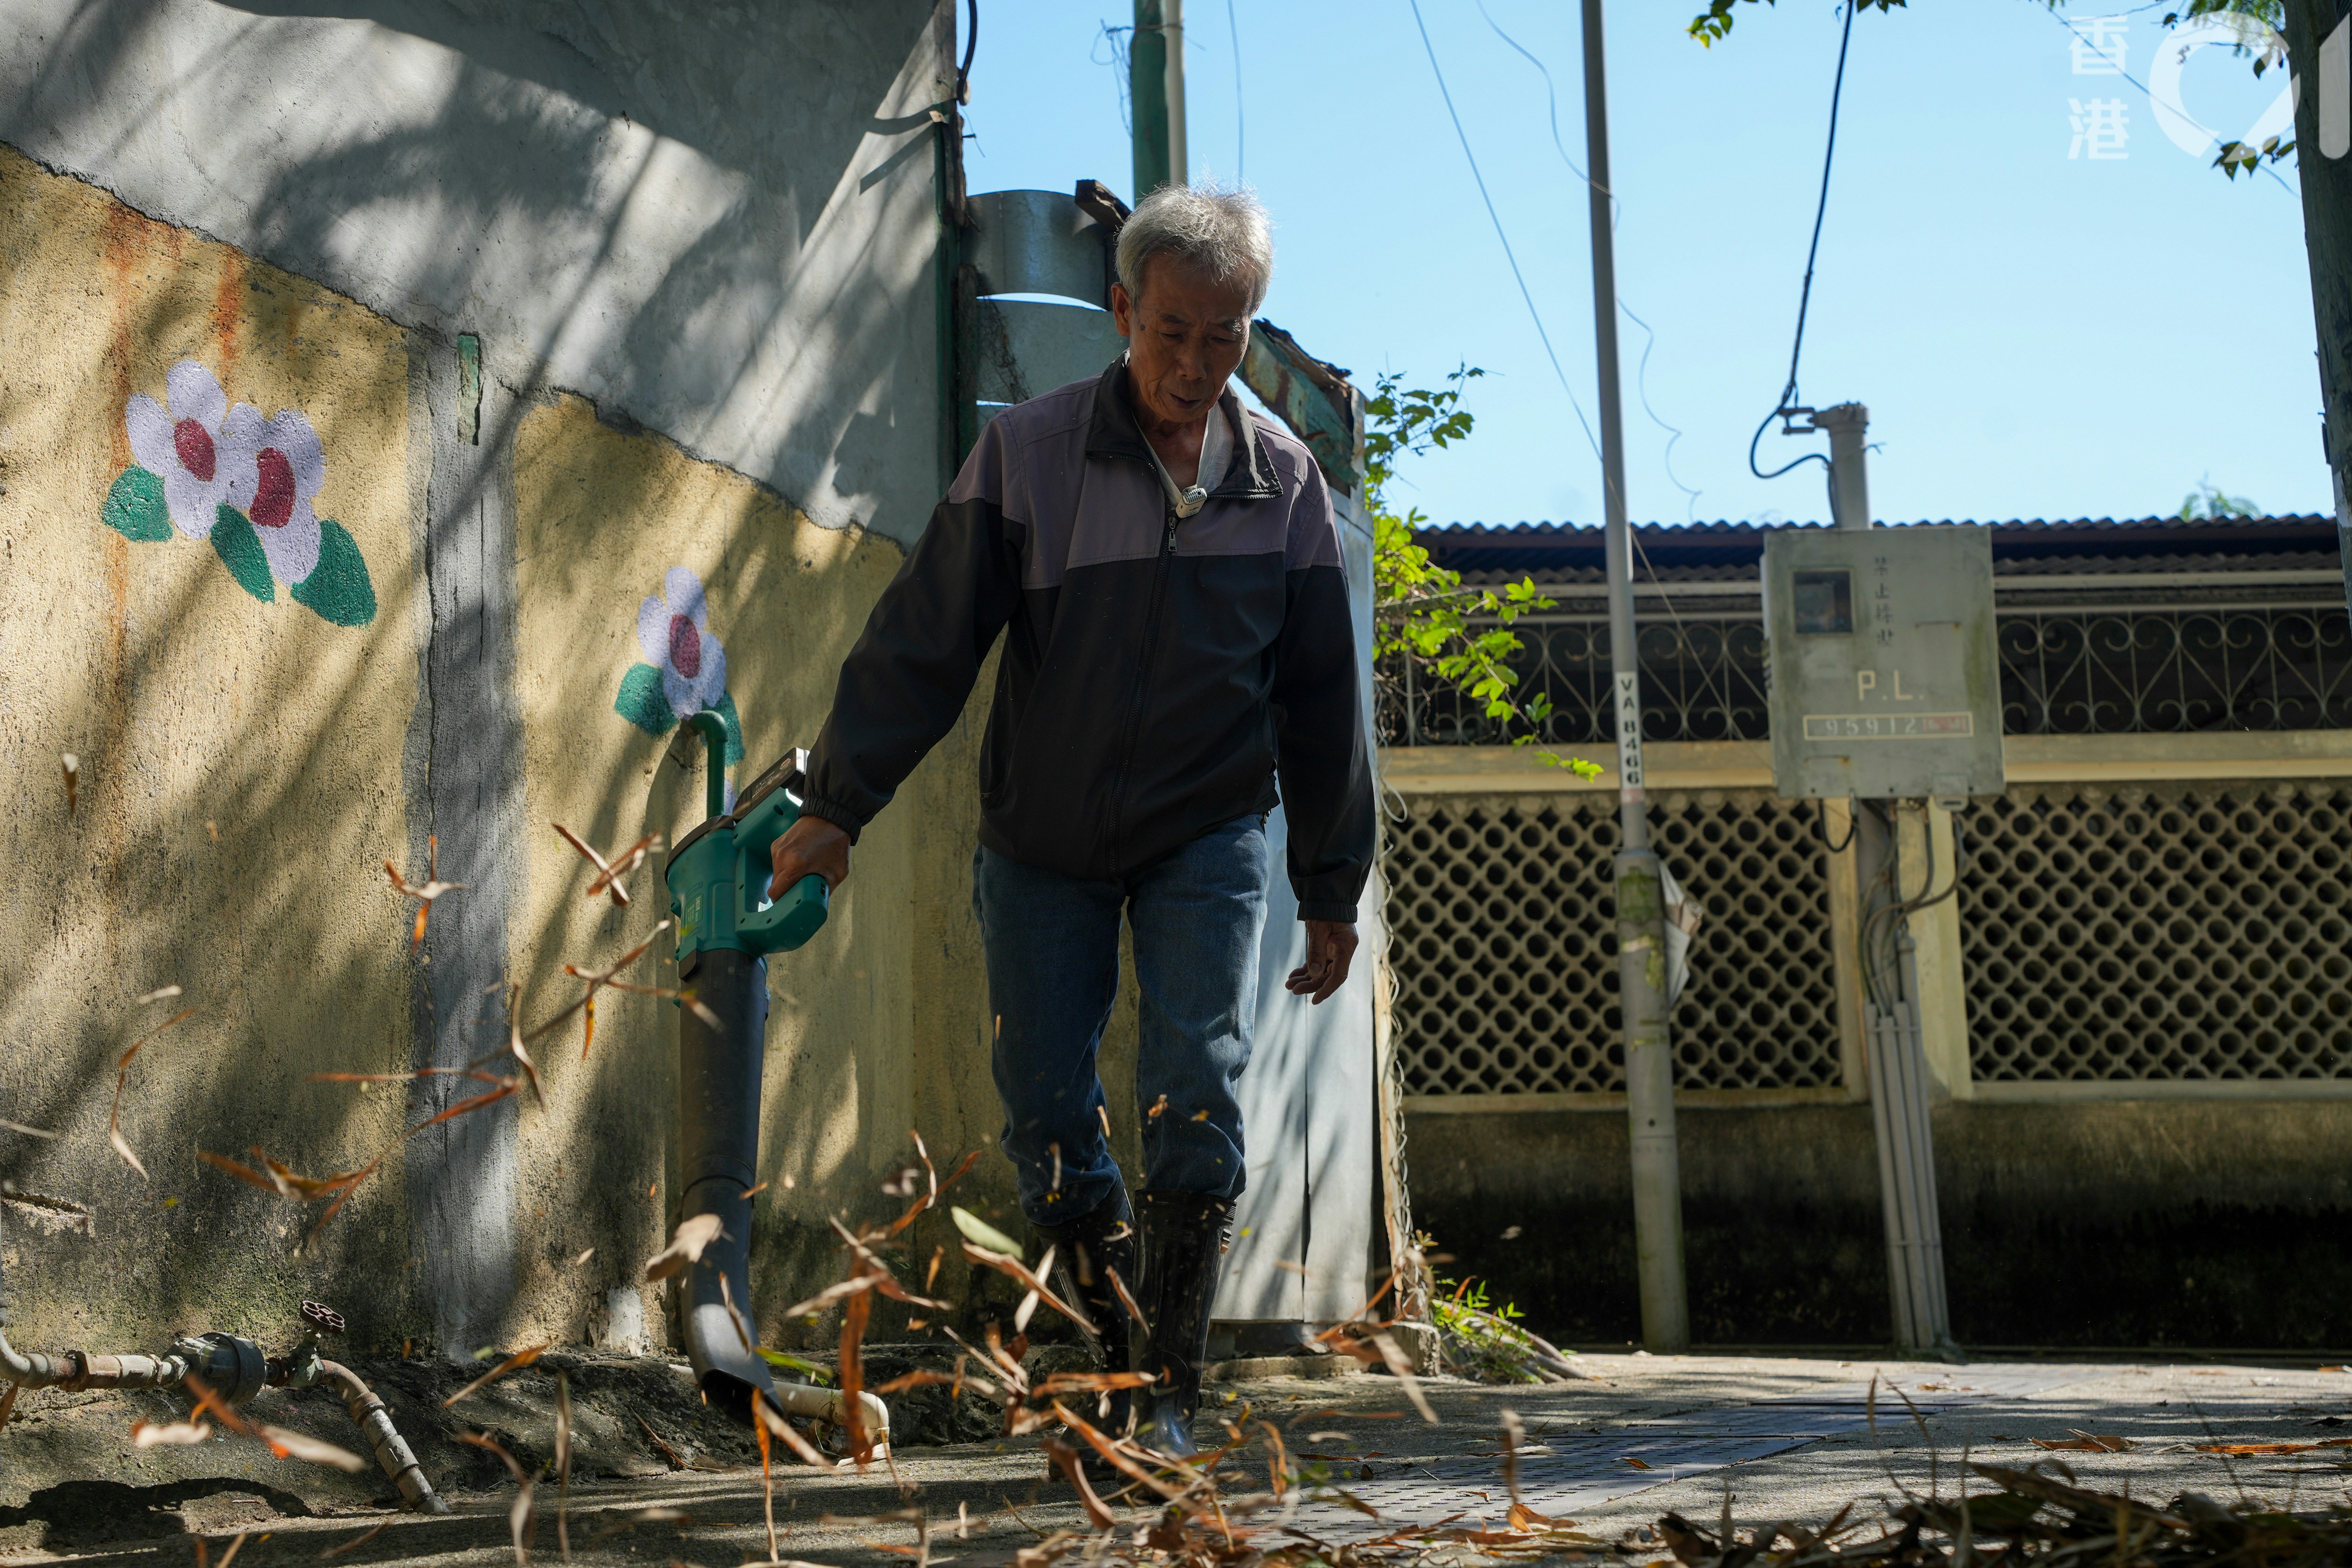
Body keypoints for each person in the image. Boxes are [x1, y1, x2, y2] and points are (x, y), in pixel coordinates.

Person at [764, 183, 1374, 1458]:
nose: (1196, 364)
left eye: (1225, 336)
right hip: (1040, 839)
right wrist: (839, 809)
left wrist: (1329, 884)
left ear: (1250, 333)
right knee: (1045, 1110)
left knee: (1193, 1090)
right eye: (1170, 332)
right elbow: (924, 643)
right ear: (1121, 314)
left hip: (1209, 834)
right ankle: (1110, 1335)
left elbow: (1322, 706)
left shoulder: (1288, 490)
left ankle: (1174, 1387)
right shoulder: (1030, 457)